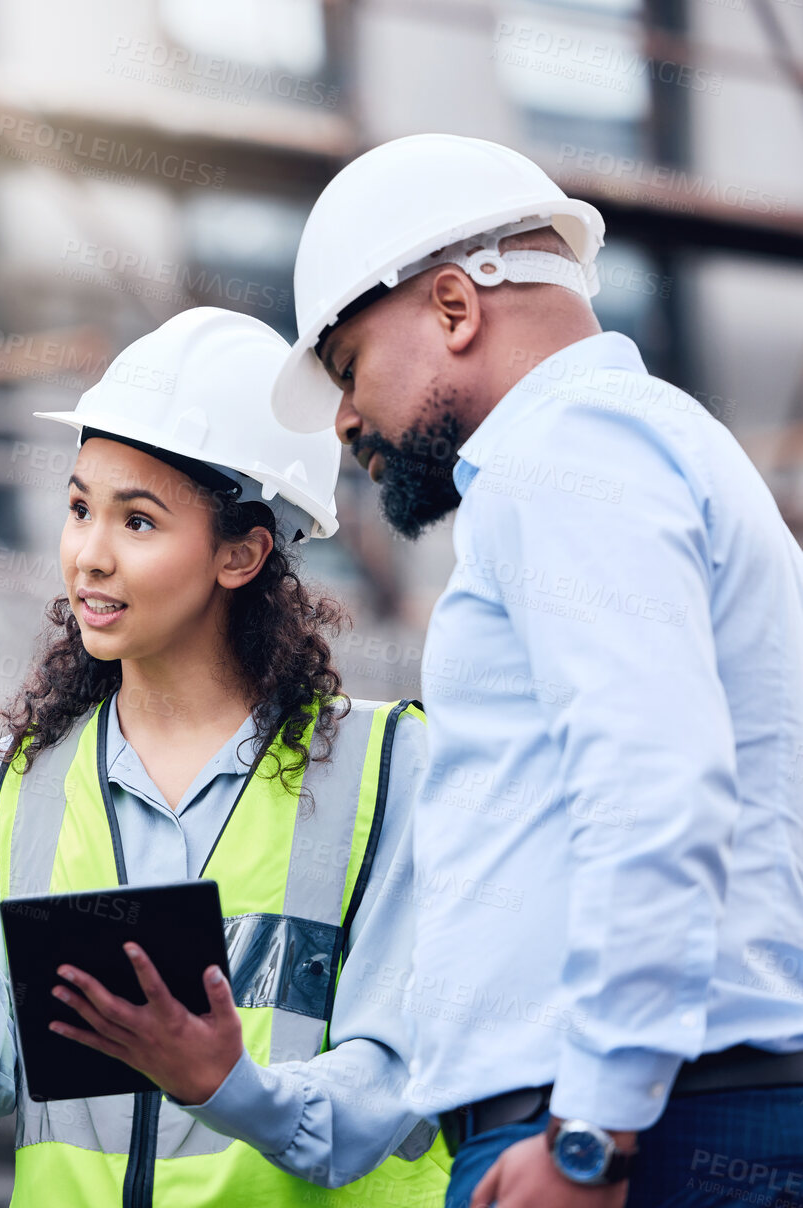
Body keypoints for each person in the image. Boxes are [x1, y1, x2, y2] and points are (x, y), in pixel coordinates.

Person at [270, 131, 803, 1207]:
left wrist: (590, 1132)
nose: (343, 420)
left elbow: (650, 779)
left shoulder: (568, 447)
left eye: (346, 367)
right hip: (658, 1114)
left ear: (455, 308)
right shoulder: (631, 444)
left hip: (639, 1133)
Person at [0, 308, 452, 1205]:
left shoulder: (385, 767)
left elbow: (396, 1085)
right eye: (80, 507)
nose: (88, 555)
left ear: (240, 552)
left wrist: (227, 1088)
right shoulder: (16, 781)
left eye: (138, 522)